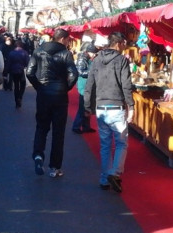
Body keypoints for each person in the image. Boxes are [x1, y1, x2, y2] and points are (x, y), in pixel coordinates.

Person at [84, 31, 134, 193]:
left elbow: (89, 85)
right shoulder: (121, 61)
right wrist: (131, 106)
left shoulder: (96, 60)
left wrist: (87, 106)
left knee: (105, 144)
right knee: (121, 143)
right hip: (116, 106)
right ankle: (115, 172)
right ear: (118, 43)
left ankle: (105, 178)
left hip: (101, 108)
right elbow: (126, 85)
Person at [26, 28, 78, 177]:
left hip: (43, 95)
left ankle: (38, 155)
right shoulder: (66, 54)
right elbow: (73, 74)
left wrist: (39, 87)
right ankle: (55, 167)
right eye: (68, 40)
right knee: (58, 132)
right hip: (60, 97)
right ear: (62, 39)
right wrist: (65, 87)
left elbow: (29, 72)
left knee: (41, 127)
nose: (69, 42)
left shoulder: (39, 51)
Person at [72, 42, 98, 134]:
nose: (94, 55)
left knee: (87, 107)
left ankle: (86, 126)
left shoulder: (89, 58)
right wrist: (93, 71)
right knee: (83, 107)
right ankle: (76, 126)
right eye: (93, 53)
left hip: (88, 85)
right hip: (84, 85)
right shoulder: (82, 58)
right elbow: (81, 72)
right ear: (88, 52)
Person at [7, 40, 30, 108]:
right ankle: (20, 96)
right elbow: (27, 63)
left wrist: (7, 71)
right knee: (23, 84)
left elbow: (9, 63)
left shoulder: (11, 53)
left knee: (16, 86)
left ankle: (17, 101)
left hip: (14, 71)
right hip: (21, 70)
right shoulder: (25, 53)